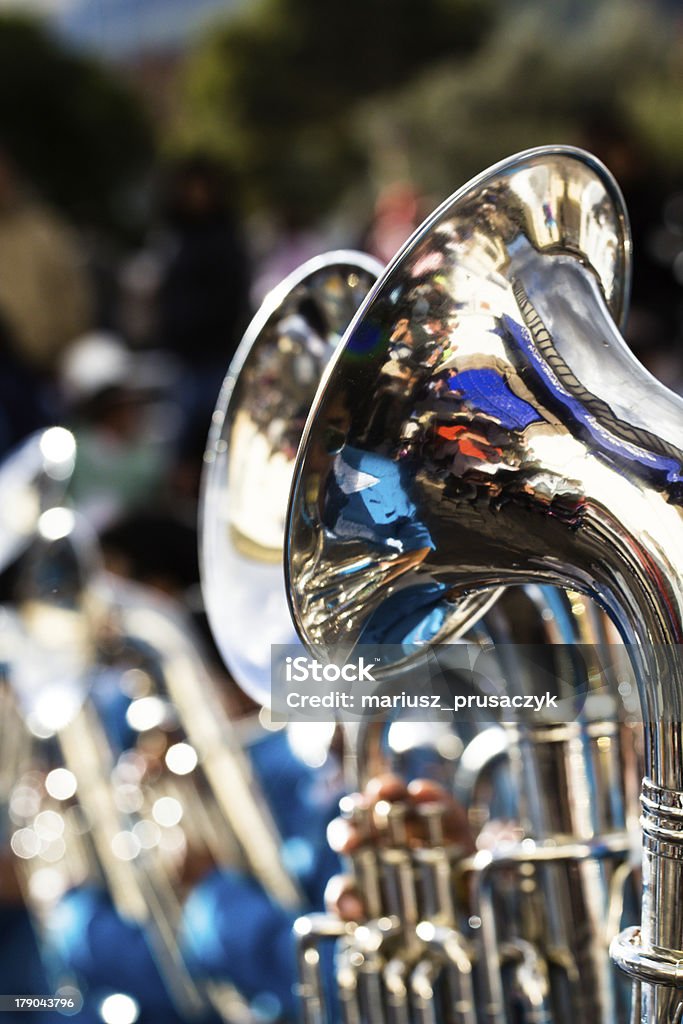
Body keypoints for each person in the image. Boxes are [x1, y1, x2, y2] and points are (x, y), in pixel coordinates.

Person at [0, 147, 91, 376]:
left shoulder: (43, 226)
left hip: (62, 359)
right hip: (11, 370)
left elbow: (73, 288)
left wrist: (74, 342)